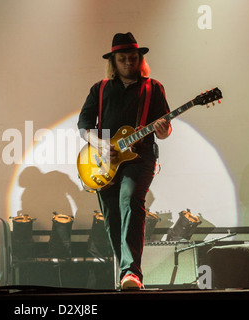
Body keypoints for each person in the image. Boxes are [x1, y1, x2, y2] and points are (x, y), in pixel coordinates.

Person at [77, 32, 172, 289]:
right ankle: (126, 274)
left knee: (130, 201)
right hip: (103, 160)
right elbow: (84, 125)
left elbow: (164, 127)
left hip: (139, 158)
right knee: (112, 218)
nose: (129, 62)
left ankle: (132, 273)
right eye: (123, 58)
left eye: (133, 57)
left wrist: (164, 131)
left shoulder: (154, 88)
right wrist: (100, 145)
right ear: (114, 61)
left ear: (139, 59)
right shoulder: (101, 89)